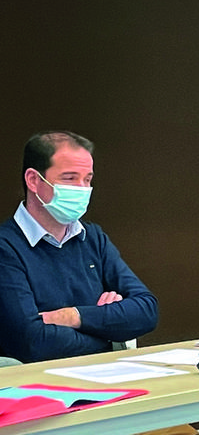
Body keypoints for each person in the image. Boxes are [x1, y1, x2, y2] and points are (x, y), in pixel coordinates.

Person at [0, 131, 159, 363]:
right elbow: (31, 340)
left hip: (101, 377)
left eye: (87, 179)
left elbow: (147, 310)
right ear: (34, 180)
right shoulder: (6, 247)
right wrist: (110, 335)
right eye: (69, 178)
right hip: (34, 386)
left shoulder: (93, 237)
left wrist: (73, 316)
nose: (82, 189)